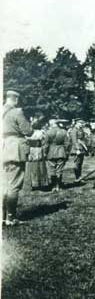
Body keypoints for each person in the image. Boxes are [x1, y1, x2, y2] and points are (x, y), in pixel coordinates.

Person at [2, 89, 34, 225]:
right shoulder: (17, 112)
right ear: (16, 99)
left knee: (3, 184)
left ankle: (2, 216)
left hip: (3, 148)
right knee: (14, 184)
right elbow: (28, 131)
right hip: (15, 149)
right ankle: (11, 217)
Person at [44, 119, 70, 192]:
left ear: (51, 124)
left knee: (52, 169)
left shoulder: (48, 132)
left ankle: (53, 186)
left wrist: (45, 153)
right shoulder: (64, 132)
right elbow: (67, 144)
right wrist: (67, 152)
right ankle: (58, 185)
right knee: (59, 169)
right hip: (61, 152)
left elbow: (46, 144)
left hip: (51, 152)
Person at [25, 118, 49, 190]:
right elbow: (44, 142)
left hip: (31, 150)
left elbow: (26, 142)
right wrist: (45, 151)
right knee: (40, 166)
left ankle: (34, 183)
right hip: (38, 150)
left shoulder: (28, 133)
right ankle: (41, 183)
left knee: (33, 166)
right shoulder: (41, 133)